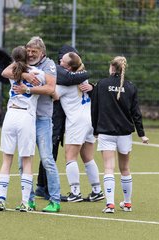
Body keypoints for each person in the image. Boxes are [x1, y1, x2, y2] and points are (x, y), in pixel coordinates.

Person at [2, 36, 61, 213]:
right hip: (24, 118)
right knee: (23, 161)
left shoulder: (49, 65)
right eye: (28, 51)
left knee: (46, 159)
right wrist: (25, 74)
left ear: (42, 52)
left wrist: (28, 89)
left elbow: (51, 89)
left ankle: (55, 200)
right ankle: (28, 199)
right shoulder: (23, 64)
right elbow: (5, 72)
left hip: (42, 118)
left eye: (34, 52)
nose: (30, 54)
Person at [92, 56, 149, 213]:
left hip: (106, 131)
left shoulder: (101, 84)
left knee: (108, 168)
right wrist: (142, 134)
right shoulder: (130, 87)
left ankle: (110, 204)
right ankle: (127, 203)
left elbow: (94, 109)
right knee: (125, 168)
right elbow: (136, 113)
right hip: (124, 133)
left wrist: (95, 130)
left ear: (111, 67)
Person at [36, 45, 91, 200]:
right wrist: (86, 73)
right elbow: (68, 79)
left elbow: (71, 81)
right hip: (53, 116)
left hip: (63, 118)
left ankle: (42, 186)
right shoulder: (57, 69)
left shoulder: (71, 74)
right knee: (51, 152)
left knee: (51, 151)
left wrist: (91, 85)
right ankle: (47, 188)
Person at [0, 46, 45, 212]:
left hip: (11, 115)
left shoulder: (13, 71)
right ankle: (25, 202)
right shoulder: (38, 73)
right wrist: (25, 74)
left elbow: (5, 71)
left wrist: (20, 70)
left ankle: (1, 199)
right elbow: (49, 88)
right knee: (27, 161)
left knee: (6, 159)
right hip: (26, 116)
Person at [53, 52, 104, 203]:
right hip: (89, 119)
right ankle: (96, 190)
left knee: (70, 156)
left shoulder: (66, 83)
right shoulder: (83, 77)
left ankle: (75, 192)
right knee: (88, 157)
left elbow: (53, 94)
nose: (60, 62)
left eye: (62, 61)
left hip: (76, 121)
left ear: (68, 67)